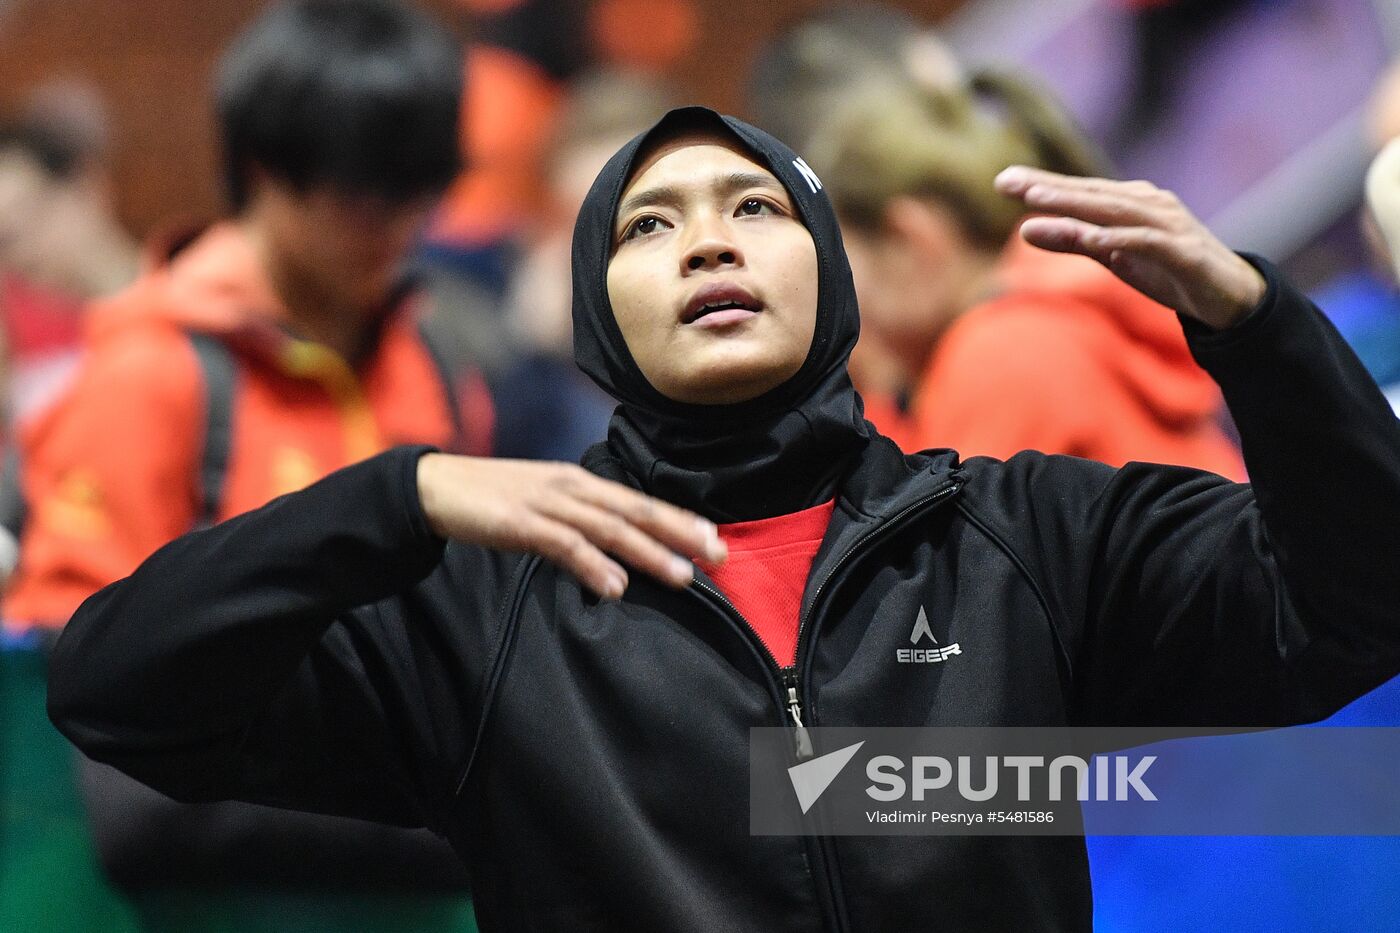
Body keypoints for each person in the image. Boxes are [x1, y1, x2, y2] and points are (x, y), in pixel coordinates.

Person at [46, 106, 1400, 930]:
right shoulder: (491, 604)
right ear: (595, 312)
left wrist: (1259, 325)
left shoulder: (1021, 536)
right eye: (649, 225)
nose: (707, 241)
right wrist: (388, 501)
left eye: (755, 207)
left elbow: (1352, 610)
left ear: (832, 274)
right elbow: (117, 690)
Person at [3, 0, 488, 921]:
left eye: (420, 193)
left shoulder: (434, 360)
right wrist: (477, 806)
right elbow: (96, 744)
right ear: (267, 170)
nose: (398, 225)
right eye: (362, 195)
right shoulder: (151, 377)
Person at [813, 73, 1246, 478]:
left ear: (910, 238)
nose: (846, 303)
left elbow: (936, 552)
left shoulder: (995, 357)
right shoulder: (1051, 307)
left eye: (845, 266)